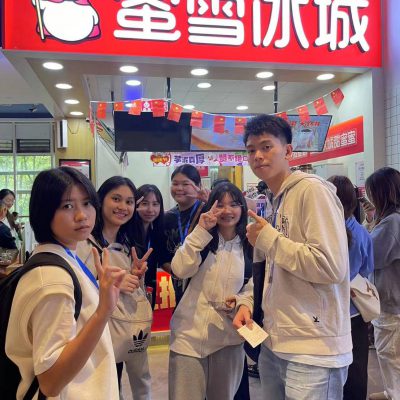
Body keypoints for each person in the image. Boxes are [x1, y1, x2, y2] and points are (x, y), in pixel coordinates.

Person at [233, 114, 352, 400]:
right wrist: (246, 300)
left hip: (313, 350)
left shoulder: (312, 190)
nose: (257, 156)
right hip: (275, 343)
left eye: (266, 147)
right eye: (251, 150)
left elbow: (330, 266)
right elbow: (271, 272)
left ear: (287, 151)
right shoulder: (275, 201)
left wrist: (269, 240)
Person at [5, 167, 124, 399]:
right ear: (44, 212)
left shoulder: (63, 256)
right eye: (67, 206)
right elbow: (51, 381)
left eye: (87, 203)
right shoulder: (52, 279)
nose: (82, 215)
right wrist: (103, 312)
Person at [169, 182, 253, 400]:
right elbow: (179, 269)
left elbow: (255, 286)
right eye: (220, 205)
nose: (227, 211)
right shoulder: (202, 239)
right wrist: (200, 231)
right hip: (188, 336)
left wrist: (243, 301)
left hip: (229, 338)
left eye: (233, 204)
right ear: (210, 207)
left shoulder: (251, 245)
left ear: (242, 208)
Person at [77, 176, 152, 400]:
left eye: (129, 202)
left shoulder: (129, 243)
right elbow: (76, 286)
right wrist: (110, 284)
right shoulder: (84, 243)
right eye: (116, 199)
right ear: (101, 200)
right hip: (94, 329)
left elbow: (129, 287)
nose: (123, 207)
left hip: (124, 325)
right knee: (103, 384)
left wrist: (136, 276)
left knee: (137, 379)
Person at [328, 175, 374, 400]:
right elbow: (368, 268)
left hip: (328, 312)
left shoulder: (327, 232)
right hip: (356, 311)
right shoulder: (362, 232)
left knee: (332, 372)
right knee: (357, 370)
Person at [364, 167, 400, 400]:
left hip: (391, 307)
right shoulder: (392, 219)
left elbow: (371, 256)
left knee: (391, 358)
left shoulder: (391, 223)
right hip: (394, 303)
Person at [164, 164, 208, 306]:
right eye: (175, 183)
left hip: (205, 283)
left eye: (185, 184)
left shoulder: (208, 212)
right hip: (179, 284)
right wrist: (177, 272)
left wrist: (211, 199)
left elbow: (248, 206)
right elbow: (162, 254)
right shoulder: (167, 217)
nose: (179, 188)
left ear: (198, 186)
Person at [131, 184, 170, 310]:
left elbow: (163, 259)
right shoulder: (127, 233)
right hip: (129, 290)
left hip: (148, 289)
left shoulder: (156, 233)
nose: (150, 209)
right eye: (144, 204)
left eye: (155, 204)